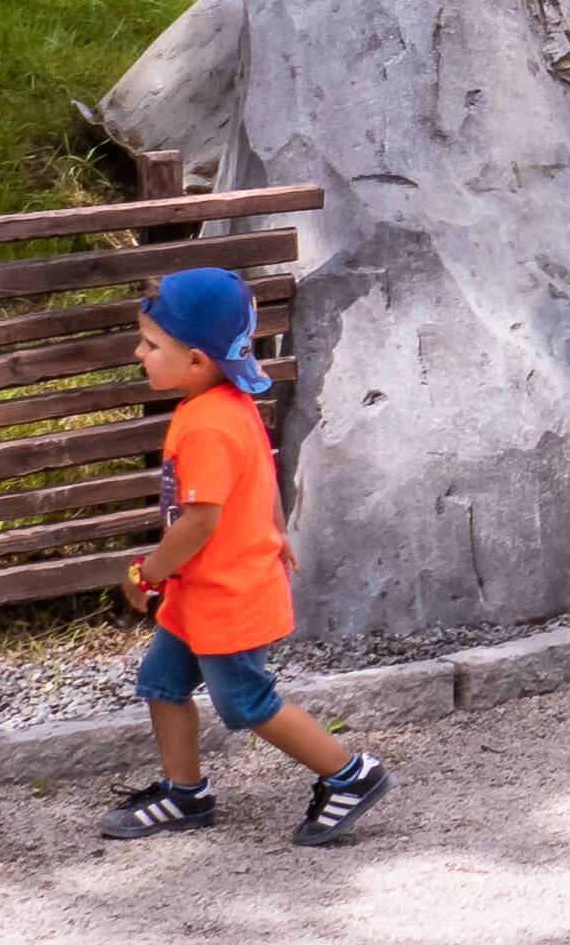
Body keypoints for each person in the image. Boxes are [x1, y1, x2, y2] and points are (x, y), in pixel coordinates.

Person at [97, 269, 394, 846]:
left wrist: (148, 571)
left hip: (226, 597)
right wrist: (277, 532)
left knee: (247, 702)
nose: (139, 352)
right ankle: (186, 796)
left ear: (198, 361)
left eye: (152, 344)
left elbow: (202, 519)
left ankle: (351, 775)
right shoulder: (229, 405)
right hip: (201, 591)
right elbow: (263, 479)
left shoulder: (207, 425)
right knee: (162, 683)